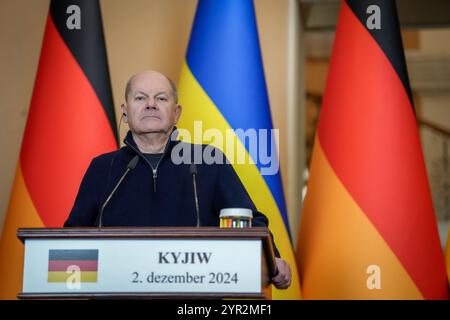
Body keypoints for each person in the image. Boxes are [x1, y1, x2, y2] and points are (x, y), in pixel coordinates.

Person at [64, 70, 291, 289]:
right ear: (125, 110)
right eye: (140, 97)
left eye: (161, 98)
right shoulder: (103, 167)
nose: (150, 104)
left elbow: (248, 221)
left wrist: (274, 260)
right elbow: (74, 236)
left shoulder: (208, 160)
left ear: (176, 112)